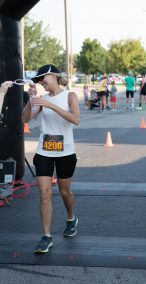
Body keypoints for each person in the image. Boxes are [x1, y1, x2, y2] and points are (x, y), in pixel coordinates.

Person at [21, 64, 80, 254]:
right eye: (38, 81)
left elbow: (76, 119)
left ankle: (71, 219)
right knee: (44, 193)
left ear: (52, 75)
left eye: (42, 79)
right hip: (44, 152)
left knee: (64, 192)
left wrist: (51, 105)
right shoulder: (41, 99)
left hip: (66, 153)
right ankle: (46, 236)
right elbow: (25, 119)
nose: (40, 83)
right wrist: (31, 100)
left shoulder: (70, 96)